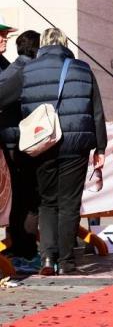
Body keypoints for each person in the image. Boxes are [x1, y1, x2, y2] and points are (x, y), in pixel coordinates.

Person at [1, 28, 107, 275]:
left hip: (42, 143)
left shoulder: (27, 70)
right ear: (65, 44)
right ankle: (67, 262)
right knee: (69, 203)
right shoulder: (83, 69)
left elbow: (2, 98)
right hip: (76, 143)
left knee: (47, 202)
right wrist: (100, 147)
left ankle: (48, 258)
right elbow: (97, 111)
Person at [0, 30, 41, 268]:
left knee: (20, 198)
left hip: (15, 138)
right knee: (27, 198)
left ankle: (20, 246)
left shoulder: (10, 66)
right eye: (0, 35)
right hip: (18, 139)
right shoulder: (20, 70)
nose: (4, 38)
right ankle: (25, 249)